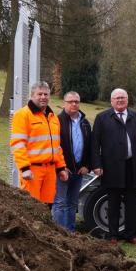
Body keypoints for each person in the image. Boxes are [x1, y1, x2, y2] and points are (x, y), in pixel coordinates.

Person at [91, 88, 136, 245]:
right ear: (111, 101)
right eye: (117, 98)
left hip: (133, 166)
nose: (120, 100)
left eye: (123, 98)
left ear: (127, 100)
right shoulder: (102, 118)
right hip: (111, 168)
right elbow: (94, 144)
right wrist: (96, 165)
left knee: (132, 203)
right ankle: (113, 236)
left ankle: (131, 235)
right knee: (113, 203)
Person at [10, 81, 69, 205]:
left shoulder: (53, 117)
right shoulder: (22, 115)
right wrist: (24, 168)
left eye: (46, 94)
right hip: (32, 170)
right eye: (39, 94)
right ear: (32, 96)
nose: (43, 97)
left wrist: (61, 168)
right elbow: (18, 144)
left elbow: (57, 147)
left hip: (50, 171)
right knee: (31, 208)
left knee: (47, 207)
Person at [52, 91, 92, 232]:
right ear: (64, 103)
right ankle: (59, 234)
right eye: (70, 101)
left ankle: (70, 233)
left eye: (76, 101)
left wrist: (87, 165)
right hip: (63, 170)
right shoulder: (57, 121)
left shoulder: (85, 123)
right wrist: (61, 167)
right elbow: (54, 146)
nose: (74, 104)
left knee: (72, 203)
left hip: (79, 171)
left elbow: (89, 146)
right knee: (60, 202)